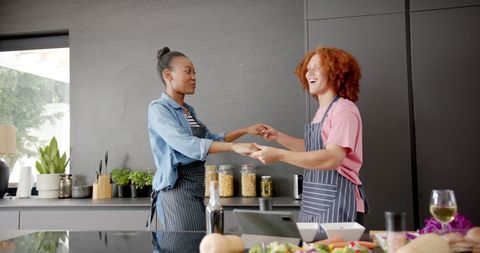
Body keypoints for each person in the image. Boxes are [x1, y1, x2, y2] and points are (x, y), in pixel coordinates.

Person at [251, 46, 368, 223]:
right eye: (307, 69)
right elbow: (314, 148)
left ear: (335, 71)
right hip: (314, 200)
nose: (308, 73)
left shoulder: (344, 110)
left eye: (316, 68)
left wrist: (279, 155)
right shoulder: (322, 112)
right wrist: (278, 137)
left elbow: (331, 157)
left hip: (339, 202)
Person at [147, 47, 260, 231]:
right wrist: (234, 148)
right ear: (168, 75)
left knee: (196, 243)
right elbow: (185, 145)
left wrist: (247, 130)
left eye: (194, 72)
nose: (194, 77)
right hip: (177, 188)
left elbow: (210, 139)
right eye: (188, 71)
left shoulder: (188, 111)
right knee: (186, 246)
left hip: (196, 187)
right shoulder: (159, 108)